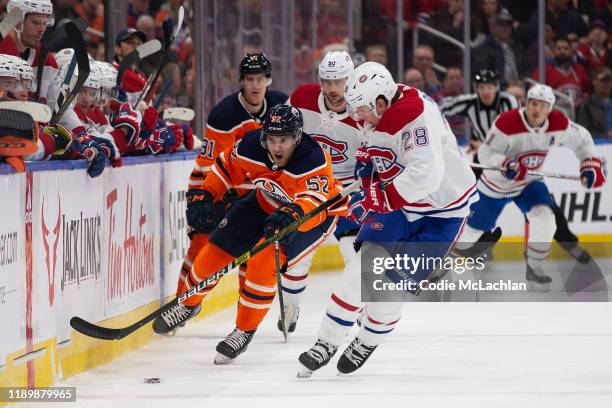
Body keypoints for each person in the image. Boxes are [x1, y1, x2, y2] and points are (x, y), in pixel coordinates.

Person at [299, 62, 478, 375]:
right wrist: (366, 182)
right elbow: (374, 158)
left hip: (442, 214)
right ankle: (325, 342)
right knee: (360, 269)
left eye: (363, 111)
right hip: (402, 208)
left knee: (390, 289)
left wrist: (381, 197)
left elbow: (427, 175)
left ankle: (367, 339)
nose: (358, 118)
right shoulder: (382, 108)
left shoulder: (412, 114)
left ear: (380, 102)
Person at [156, 104, 345, 364]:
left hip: (312, 218)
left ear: (298, 137)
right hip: (265, 201)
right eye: (272, 139)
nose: (277, 147)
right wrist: (207, 193)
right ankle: (188, 304)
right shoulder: (250, 146)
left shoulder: (313, 158)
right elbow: (225, 167)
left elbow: (315, 200)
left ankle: (243, 331)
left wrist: (292, 214)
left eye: (285, 140)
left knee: (263, 261)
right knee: (214, 252)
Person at [152, 53, 288, 335]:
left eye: (260, 79)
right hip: (224, 189)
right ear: (241, 81)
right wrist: (202, 198)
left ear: (269, 80)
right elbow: (210, 163)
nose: (255, 85)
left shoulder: (281, 106)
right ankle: (182, 304)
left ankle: (244, 322)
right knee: (201, 245)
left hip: (265, 194)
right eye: (249, 79)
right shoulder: (225, 115)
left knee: (255, 257)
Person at [456, 84, 606, 289]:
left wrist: (589, 164)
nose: (537, 110)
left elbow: (582, 139)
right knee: (469, 233)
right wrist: (504, 163)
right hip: (495, 185)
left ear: (550, 108)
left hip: (528, 182)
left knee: (546, 219)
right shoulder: (507, 122)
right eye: (533, 104)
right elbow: (485, 153)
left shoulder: (558, 123)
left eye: (543, 106)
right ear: (526, 103)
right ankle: (437, 266)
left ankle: (534, 268)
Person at [284, 50, 363, 333]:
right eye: (327, 81)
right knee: (297, 251)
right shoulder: (302, 98)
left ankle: (363, 309)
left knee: (354, 250)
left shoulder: (362, 109)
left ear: (350, 80)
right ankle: (290, 308)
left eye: (338, 82)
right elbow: (280, 132)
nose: (332, 89)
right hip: (311, 185)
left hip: (349, 188)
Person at [439, 68, 518, 151]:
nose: (486, 92)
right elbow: (442, 106)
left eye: (489, 87)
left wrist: (484, 146)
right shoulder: (471, 102)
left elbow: (513, 132)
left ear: (496, 87)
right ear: (476, 88)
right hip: (485, 153)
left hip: (511, 150)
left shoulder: (508, 102)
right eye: (481, 87)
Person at [0, 0, 59, 103]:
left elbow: (55, 103)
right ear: (18, 23)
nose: (42, 29)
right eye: (36, 22)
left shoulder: (48, 61)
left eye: (45, 23)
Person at [112, 27, 148, 105]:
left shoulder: (139, 74)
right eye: (130, 42)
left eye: (139, 43)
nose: (136, 47)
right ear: (117, 49)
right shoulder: (114, 71)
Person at [577, 67, 612, 138]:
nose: (606, 84)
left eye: (608, 80)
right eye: (602, 80)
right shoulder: (587, 106)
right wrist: (606, 135)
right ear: (594, 82)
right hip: (600, 146)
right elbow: (583, 133)